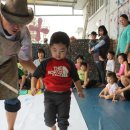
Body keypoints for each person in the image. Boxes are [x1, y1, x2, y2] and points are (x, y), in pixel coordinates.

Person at [31, 31, 84, 130]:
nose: (58, 54)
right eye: (55, 50)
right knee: (48, 121)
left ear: (67, 49)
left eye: (62, 51)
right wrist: (33, 87)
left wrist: (80, 90)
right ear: (50, 48)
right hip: (49, 96)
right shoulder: (46, 63)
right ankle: (52, 127)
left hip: (64, 96)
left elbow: (76, 79)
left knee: (63, 121)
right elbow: (35, 75)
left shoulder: (69, 64)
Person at [0, 0, 36, 130]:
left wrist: (42, 75)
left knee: (12, 97)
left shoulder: (23, 33)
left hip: (8, 63)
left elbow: (25, 60)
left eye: (21, 23)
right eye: (12, 21)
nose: (17, 27)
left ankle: (10, 128)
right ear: (2, 15)